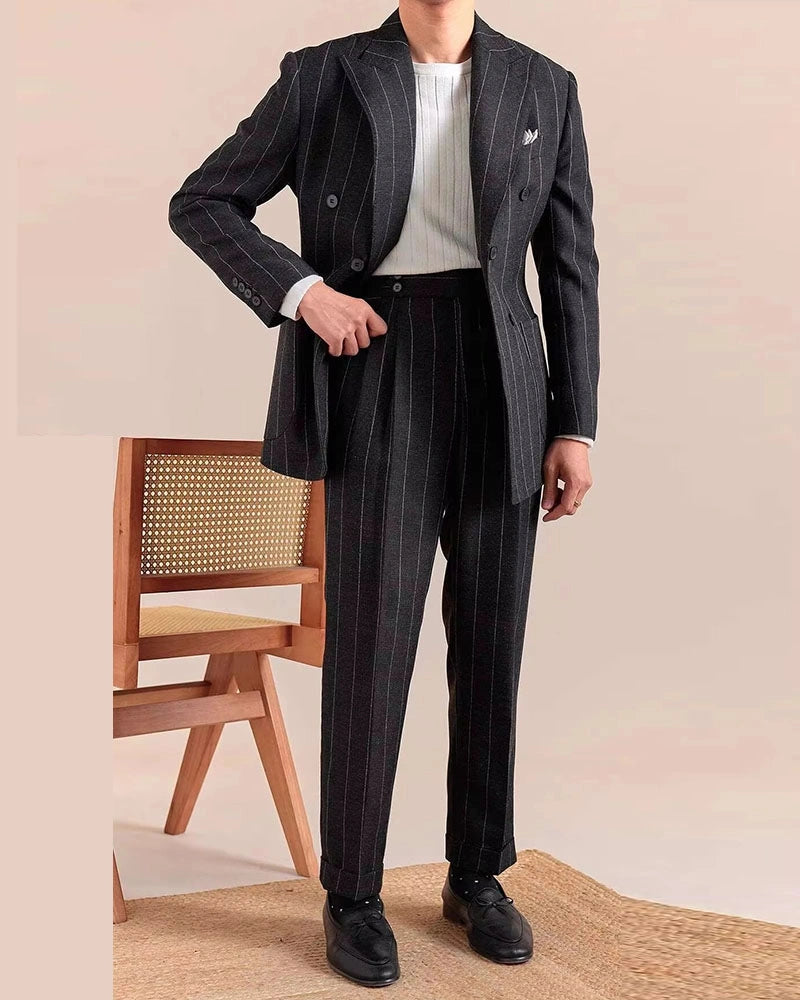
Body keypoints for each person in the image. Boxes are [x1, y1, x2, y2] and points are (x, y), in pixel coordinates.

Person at [168, 0, 599, 987]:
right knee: (371, 640)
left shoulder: (545, 85)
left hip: (503, 376)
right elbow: (204, 201)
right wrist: (303, 293)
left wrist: (574, 421)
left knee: (491, 638)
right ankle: (352, 891)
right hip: (377, 361)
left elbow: (568, 264)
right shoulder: (323, 74)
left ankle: (477, 874)